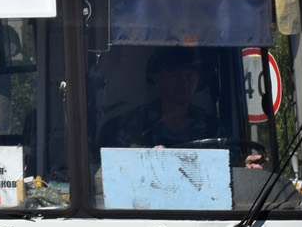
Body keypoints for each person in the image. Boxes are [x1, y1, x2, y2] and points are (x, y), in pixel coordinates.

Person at [111, 48, 264, 169]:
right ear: (158, 80)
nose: (184, 82)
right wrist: (149, 160)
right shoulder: (136, 124)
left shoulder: (212, 127)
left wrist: (245, 167)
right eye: (176, 75)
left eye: (190, 75)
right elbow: (121, 168)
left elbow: (229, 168)